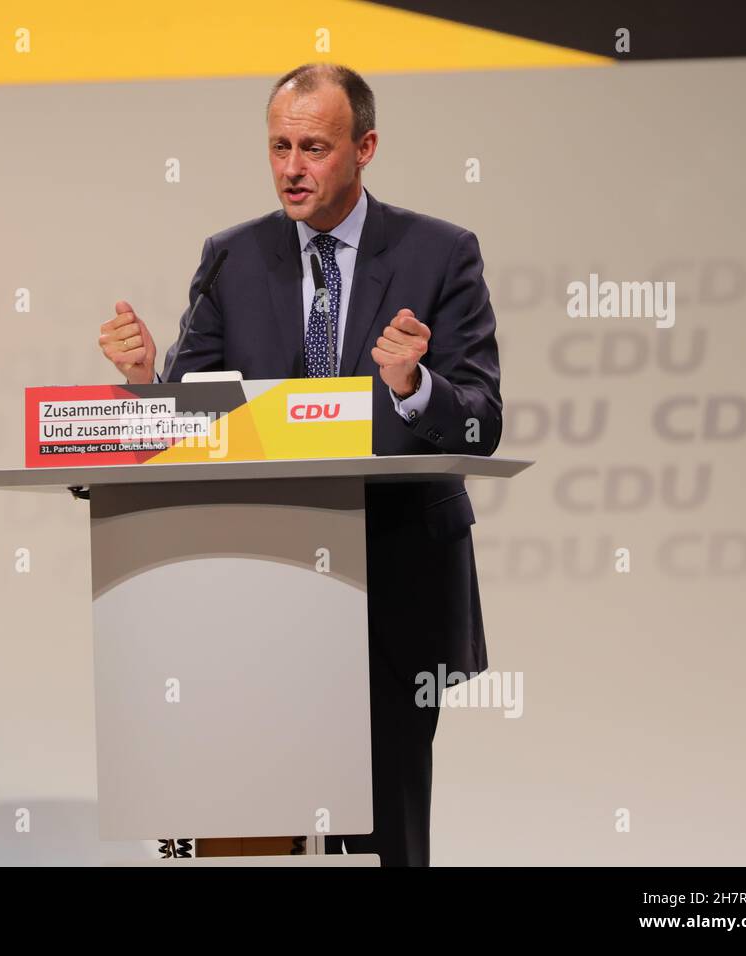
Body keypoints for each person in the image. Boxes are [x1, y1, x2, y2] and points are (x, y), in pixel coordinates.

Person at [97, 63, 502, 866]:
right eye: (278, 146)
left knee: (382, 829)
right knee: (256, 808)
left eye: (313, 147)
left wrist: (415, 385)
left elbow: (483, 419)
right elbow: (194, 415)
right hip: (253, 590)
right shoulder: (232, 258)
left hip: (393, 577)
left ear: (366, 147)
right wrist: (146, 383)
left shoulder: (440, 253)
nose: (291, 167)